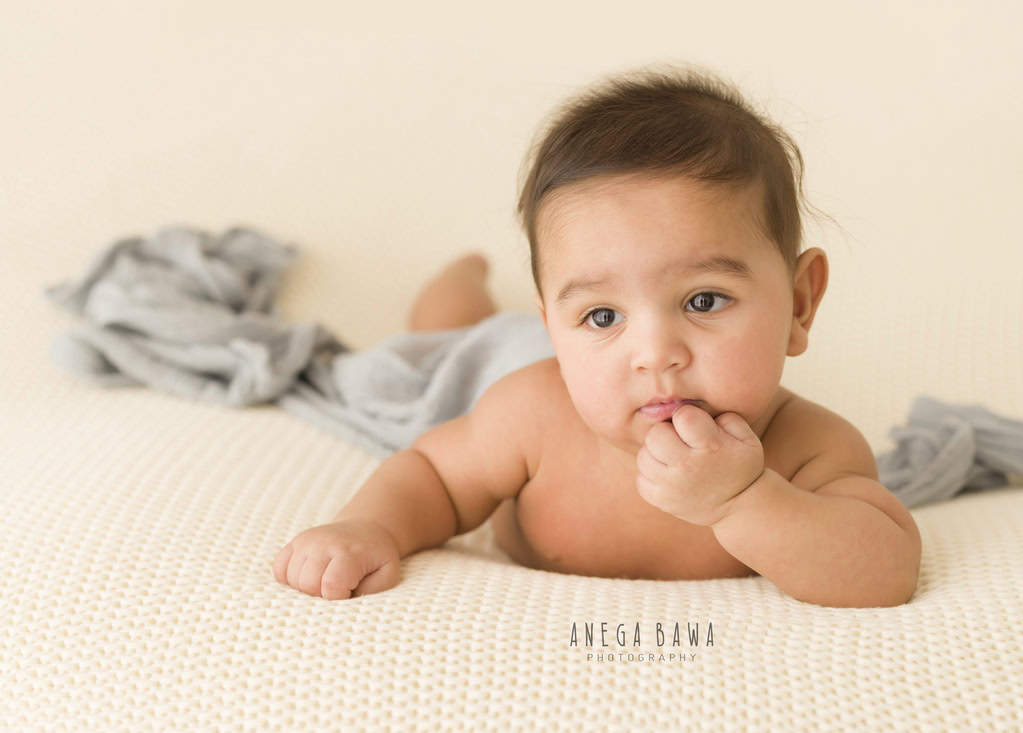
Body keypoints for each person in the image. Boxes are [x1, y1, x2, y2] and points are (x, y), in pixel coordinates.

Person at [271, 63, 922, 608]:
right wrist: (367, 525)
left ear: (800, 304)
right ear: (555, 323)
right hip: (504, 360)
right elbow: (433, 476)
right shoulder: (529, 416)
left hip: (580, 365)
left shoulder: (809, 452)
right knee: (451, 337)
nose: (656, 353)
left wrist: (744, 498)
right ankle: (457, 282)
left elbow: (884, 569)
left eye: (704, 299)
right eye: (603, 315)